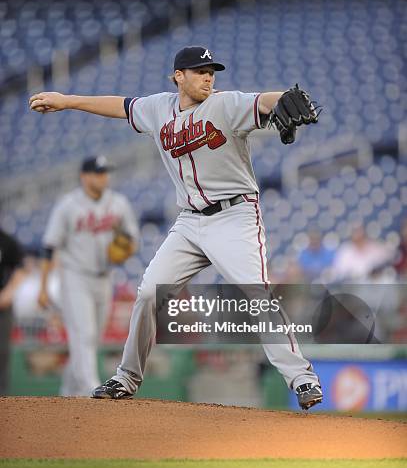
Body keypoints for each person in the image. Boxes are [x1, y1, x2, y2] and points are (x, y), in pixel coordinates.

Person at [30, 46, 323, 410]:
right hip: (189, 221)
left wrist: (286, 97)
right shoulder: (157, 108)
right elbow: (120, 106)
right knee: (148, 294)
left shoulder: (225, 104)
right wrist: (67, 100)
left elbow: (264, 100)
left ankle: (302, 378)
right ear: (178, 76)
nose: (208, 77)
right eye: (200, 71)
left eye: (211, 71)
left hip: (235, 217)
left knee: (257, 293)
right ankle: (126, 377)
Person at [37, 155, 140, 397]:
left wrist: (124, 249)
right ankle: (89, 391)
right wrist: (43, 288)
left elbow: (133, 240)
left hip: (104, 277)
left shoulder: (118, 203)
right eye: (98, 172)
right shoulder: (68, 205)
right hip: (74, 276)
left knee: (93, 340)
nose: (104, 177)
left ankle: (68, 392)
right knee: (84, 334)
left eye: (105, 172)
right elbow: (49, 247)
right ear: (84, 176)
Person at [0, 228, 26, 395]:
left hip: (2, 305)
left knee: (2, 352)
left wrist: (7, 293)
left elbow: (19, 268)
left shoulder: (6, 240)